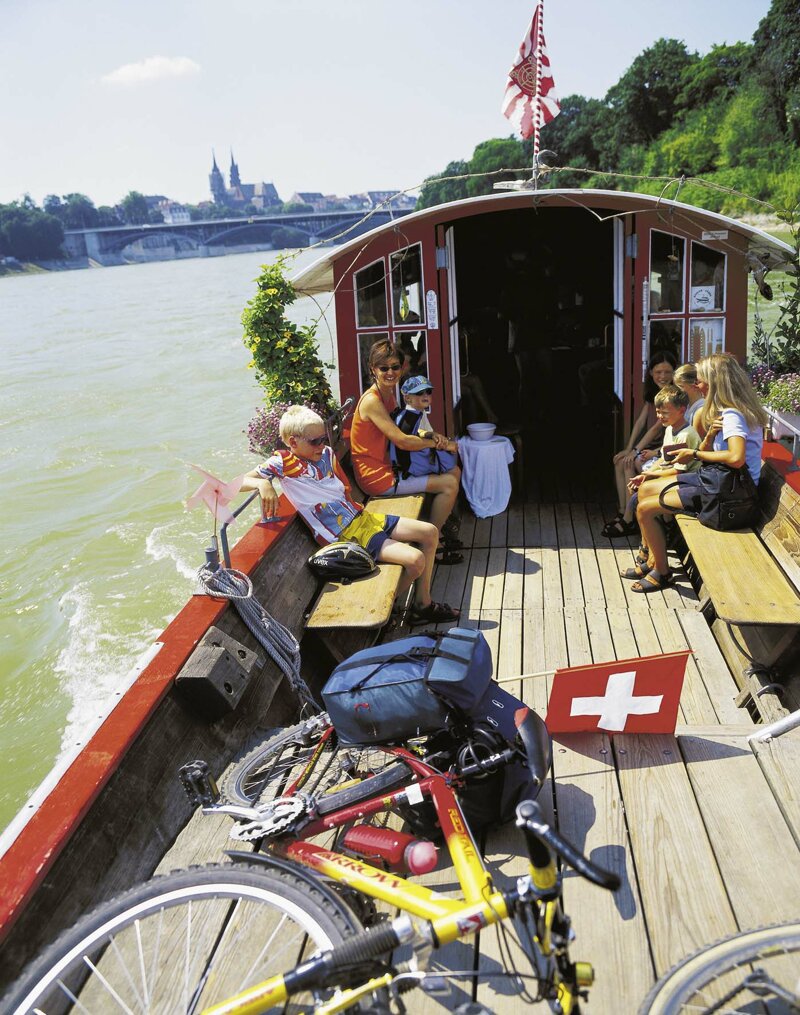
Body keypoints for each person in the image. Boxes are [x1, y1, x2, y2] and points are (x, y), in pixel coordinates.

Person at [239, 405, 460, 625]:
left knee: (430, 532)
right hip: (345, 534)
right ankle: (390, 609)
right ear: (293, 442)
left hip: (360, 517)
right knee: (415, 560)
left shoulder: (326, 453)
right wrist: (262, 484)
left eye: (323, 438)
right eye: (314, 441)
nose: (321, 445)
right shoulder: (283, 463)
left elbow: (343, 487)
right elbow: (238, 483)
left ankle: (423, 603)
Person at [630, 355, 768, 593]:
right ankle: (651, 558)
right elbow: (710, 453)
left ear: (716, 383)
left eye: (701, 380)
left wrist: (695, 453)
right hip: (719, 481)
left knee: (645, 508)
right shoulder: (727, 411)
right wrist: (709, 438)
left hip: (728, 493)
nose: (698, 385)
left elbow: (736, 459)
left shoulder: (733, 415)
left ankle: (661, 571)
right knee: (645, 489)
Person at [350, 340, 463, 563]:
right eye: (384, 368)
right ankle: (432, 541)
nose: (390, 372)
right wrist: (439, 444)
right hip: (378, 477)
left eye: (395, 367)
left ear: (402, 368)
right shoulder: (372, 401)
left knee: (454, 472)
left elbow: (406, 430)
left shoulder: (388, 394)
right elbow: (402, 441)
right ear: (373, 369)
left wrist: (431, 436)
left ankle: (436, 529)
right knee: (448, 484)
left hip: (391, 466)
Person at [619, 385, 701, 577]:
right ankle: (648, 551)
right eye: (658, 411)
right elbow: (665, 459)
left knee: (639, 501)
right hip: (672, 477)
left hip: (685, 482)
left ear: (681, 410)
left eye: (665, 412)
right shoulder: (670, 429)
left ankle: (650, 554)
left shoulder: (687, 434)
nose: (660, 416)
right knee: (636, 497)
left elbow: (677, 469)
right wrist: (646, 475)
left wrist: (649, 476)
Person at [602, 351, 677, 537]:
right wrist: (628, 447)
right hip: (649, 447)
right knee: (619, 460)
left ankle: (630, 519)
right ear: (651, 372)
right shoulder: (653, 394)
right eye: (659, 372)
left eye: (668, 372)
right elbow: (641, 422)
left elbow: (655, 429)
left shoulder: (673, 396)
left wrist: (634, 451)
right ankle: (623, 511)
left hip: (660, 447)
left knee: (630, 462)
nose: (663, 376)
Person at [674, 363, 706, 431]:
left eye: (681, 386)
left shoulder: (701, 408)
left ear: (694, 385)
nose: (677, 391)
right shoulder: (688, 405)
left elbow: (695, 439)